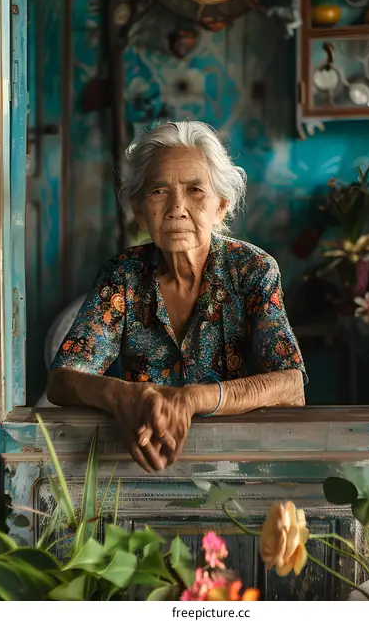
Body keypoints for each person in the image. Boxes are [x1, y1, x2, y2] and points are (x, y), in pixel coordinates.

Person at [47, 121, 306, 473]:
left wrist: (193, 399)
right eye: (158, 191)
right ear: (139, 211)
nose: (176, 208)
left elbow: (290, 384)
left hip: (244, 464)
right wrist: (126, 396)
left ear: (221, 207)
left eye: (196, 190)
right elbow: (61, 381)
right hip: (147, 463)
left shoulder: (252, 269)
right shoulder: (123, 276)